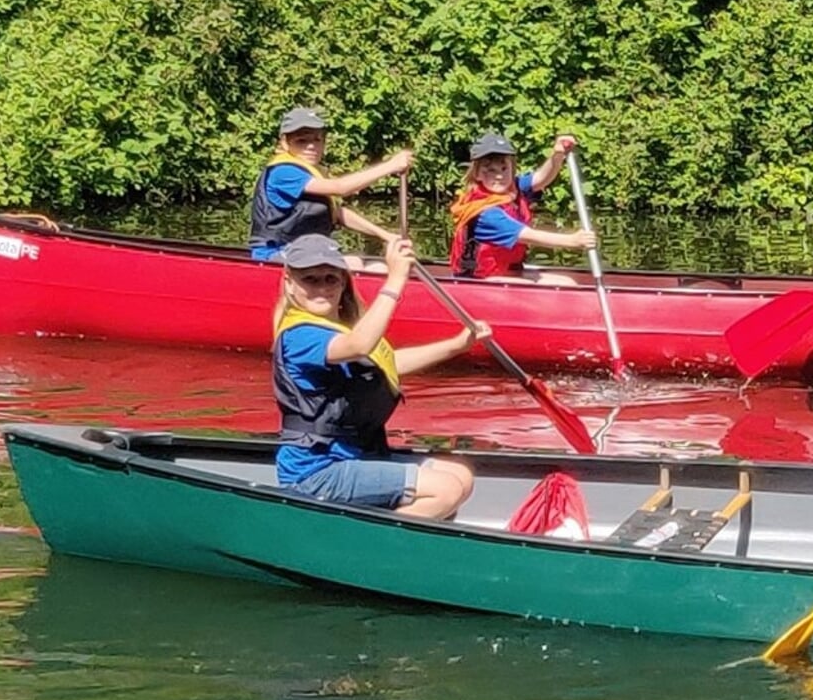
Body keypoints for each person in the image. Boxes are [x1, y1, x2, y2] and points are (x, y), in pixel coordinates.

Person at [273, 232, 485, 517]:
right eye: (310, 279)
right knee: (445, 489)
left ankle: (401, 535)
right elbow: (360, 344)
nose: (322, 288)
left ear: (342, 283)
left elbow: (388, 362)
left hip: (356, 456)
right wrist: (396, 279)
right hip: (316, 472)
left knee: (460, 474)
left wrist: (457, 346)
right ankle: (373, 552)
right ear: (289, 284)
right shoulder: (300, 336)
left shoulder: (339, 329)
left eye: (330, 279)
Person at [249, 105, 413, 265]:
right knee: (355, 264)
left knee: (378, 266)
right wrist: (390, 166)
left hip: (307, 251)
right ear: (285, 143)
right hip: (275, 253)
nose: (311, 146)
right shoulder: (283, 172)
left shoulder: (315, 172)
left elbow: (339, 214)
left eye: (317, 139)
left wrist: (387, 236)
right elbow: (340, 188)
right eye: (301, 141)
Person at [448, 131, 596, 284]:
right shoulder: (486, 214)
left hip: (506, 272)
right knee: (564, 285)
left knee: (566, 281)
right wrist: (573, 241)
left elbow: (541, 179)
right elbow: (528, 235)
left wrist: (557, 155)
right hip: (479, 281)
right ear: (477, 175)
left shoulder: (513, 188)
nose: (499, 176)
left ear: (513, 169)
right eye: (490, 170)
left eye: (504, 169)